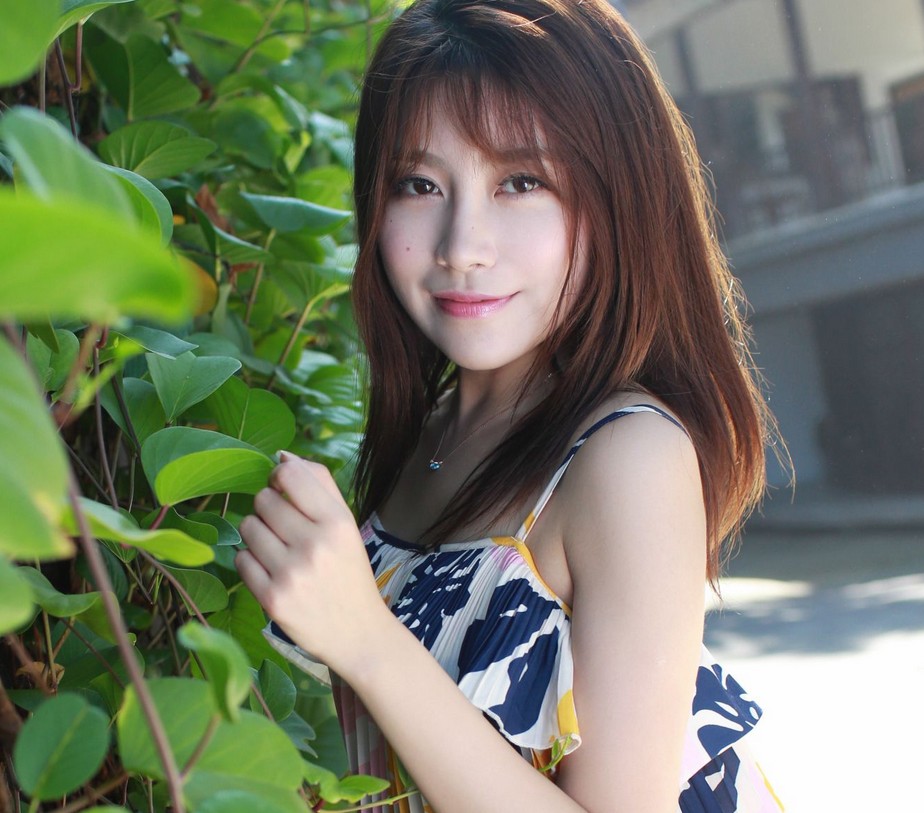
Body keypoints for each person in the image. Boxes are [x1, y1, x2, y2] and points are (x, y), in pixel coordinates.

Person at [236, 1, 786, 811]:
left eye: (521, 182)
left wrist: (365, 638)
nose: (462, 246)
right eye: (420, 184)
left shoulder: (628, 458)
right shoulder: (430, 434)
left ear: (622, 196)